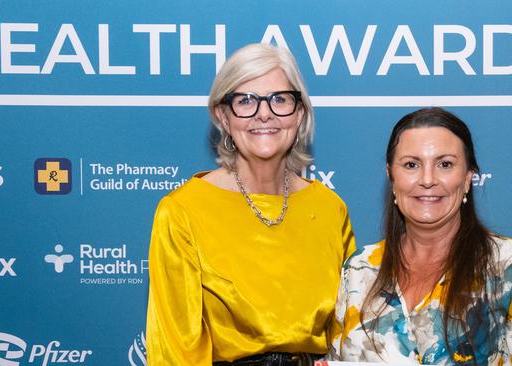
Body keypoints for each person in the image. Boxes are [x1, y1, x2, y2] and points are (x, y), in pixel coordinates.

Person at [146, 43, 356, 365]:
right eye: (245, 100)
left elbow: (348, 336)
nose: (264, 113)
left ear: (300, 113)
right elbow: (175, 351)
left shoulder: (330, 209)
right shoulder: (183, 211)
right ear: (223, 116)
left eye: (280, 99)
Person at [327, 107, 512, 365]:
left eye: (445, 164)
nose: (427, 179)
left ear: (468, 178)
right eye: (411, 164)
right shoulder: (360, 268)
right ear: (391, 175)